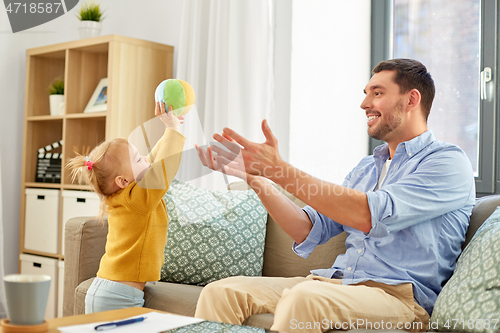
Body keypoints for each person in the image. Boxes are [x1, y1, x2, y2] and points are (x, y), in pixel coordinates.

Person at [194, 59, 475, 333]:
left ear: (412, 99)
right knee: (222, 292)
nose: (364, 104)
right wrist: (258, 180)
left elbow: (370, 214)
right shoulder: (367, 168)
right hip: (335, 283)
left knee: (305, 299)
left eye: (377, 93)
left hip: (401, 299)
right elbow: (306, 229)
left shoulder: (447, 162)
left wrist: (278, 169)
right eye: (365, 94)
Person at [67, 102, 186, 313]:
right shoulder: (137, 198)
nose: (145, 159)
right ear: (123, 180)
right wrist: (174, 131)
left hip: (105, 289)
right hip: (119, 297)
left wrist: (170, 131)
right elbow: (162, 169)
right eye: (137, 159)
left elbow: (152, 161)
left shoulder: (122, 196)